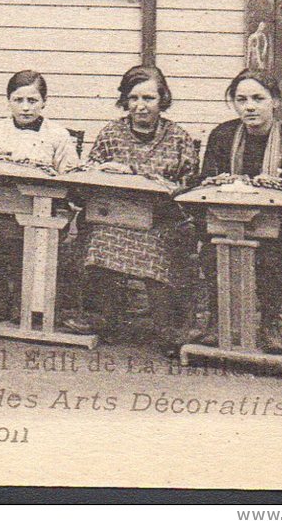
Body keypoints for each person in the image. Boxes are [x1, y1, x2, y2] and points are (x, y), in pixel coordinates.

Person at [69, 64, 202, 353]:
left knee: (157, 243)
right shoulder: (111, 133)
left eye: (149, 99)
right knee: (101, 236)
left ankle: (167, 325)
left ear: (162, 100)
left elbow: (190, 188)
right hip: (113, 215)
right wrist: (103, 173)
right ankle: (103, 316)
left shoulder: (179, 138)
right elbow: (88, 177)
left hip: (159, 219)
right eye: (134, 99)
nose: (140, 106)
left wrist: (134, 173)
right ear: (125, 100)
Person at [197, 70, 282, 354]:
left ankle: (269, 325)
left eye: (258, 98)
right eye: (241, 99)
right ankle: (217, 322)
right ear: (233, 103)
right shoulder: (222, 136)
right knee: (211, 250)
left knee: (273, 253)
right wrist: (217, 184)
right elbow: (201, 187)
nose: (250, 106)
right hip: (229, 224)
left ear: (276, 102)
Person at [0, 70, 78, 321]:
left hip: (44, 208)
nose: (25, 107)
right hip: (2, 208)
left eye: (32, 101)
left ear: (44, 102)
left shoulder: (57, 135)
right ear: (8, 101)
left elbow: (71, 177)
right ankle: (0, 296)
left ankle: (27, 302)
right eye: (18, 100)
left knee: (37, 234)